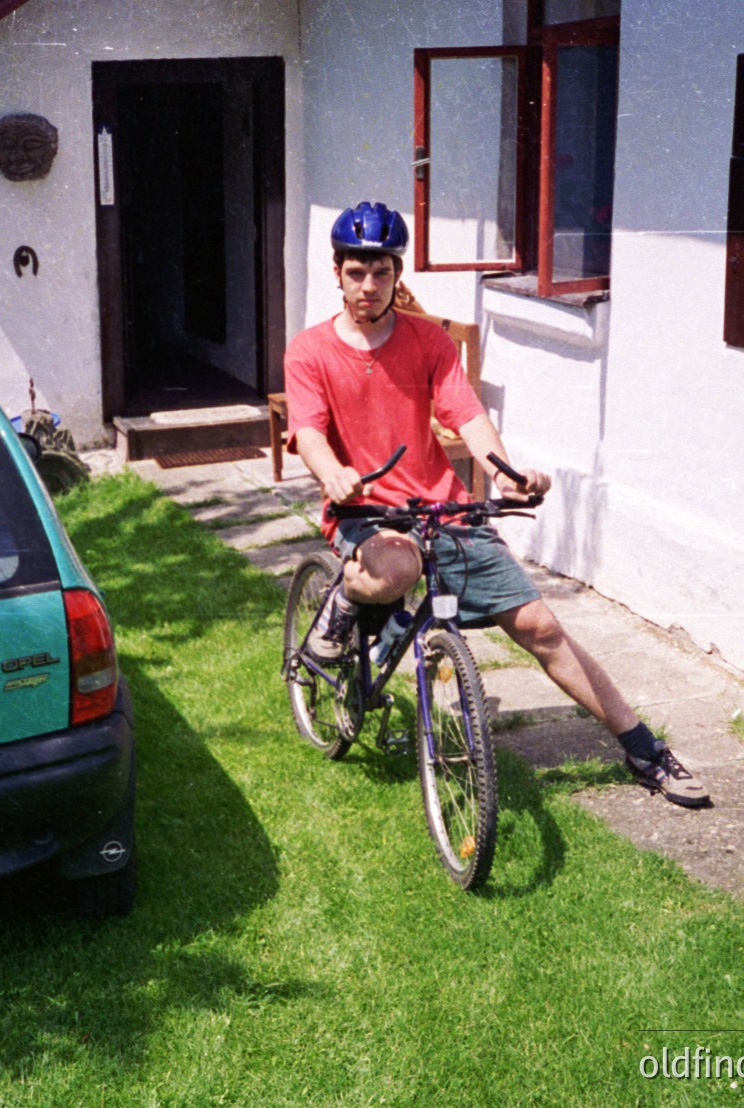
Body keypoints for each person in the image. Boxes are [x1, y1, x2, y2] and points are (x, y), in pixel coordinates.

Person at [285, 200, 709, 809]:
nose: (369, 287)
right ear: (337, 271)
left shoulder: (428, 342)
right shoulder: (310, 351)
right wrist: (335, 475)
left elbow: (466, 414)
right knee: (399, 568)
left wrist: (505, 474)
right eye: (357, 272)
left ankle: (645, 749)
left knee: (540, 626)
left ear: (397, 273)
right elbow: (308, 430)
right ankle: (341, 608)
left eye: (381, 272)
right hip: (365, 512)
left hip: (440, 508)